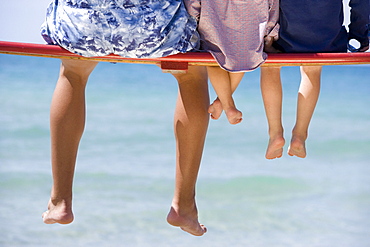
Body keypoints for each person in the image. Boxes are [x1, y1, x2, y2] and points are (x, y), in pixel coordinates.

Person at [40, 0, 209, 236]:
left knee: (73, 72)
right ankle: (184, 205)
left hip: (84, 24)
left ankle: (60, 201)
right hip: (154, 26)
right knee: (191, 74)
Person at [260, 0, 369, 159]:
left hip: (283, 33)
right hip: (325, 37)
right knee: (312, 69)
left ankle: (275, 133)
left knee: (270, 66)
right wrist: (359, 33)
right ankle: (300, 135)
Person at [184, 0, 279, 125]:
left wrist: (192, 19)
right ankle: (223, 103)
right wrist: (270, 31)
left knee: (213, 57)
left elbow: (192, 3)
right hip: (251, 17)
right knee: (244, 56)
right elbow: (273, 4)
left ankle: (227, 104)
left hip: (213, 15)